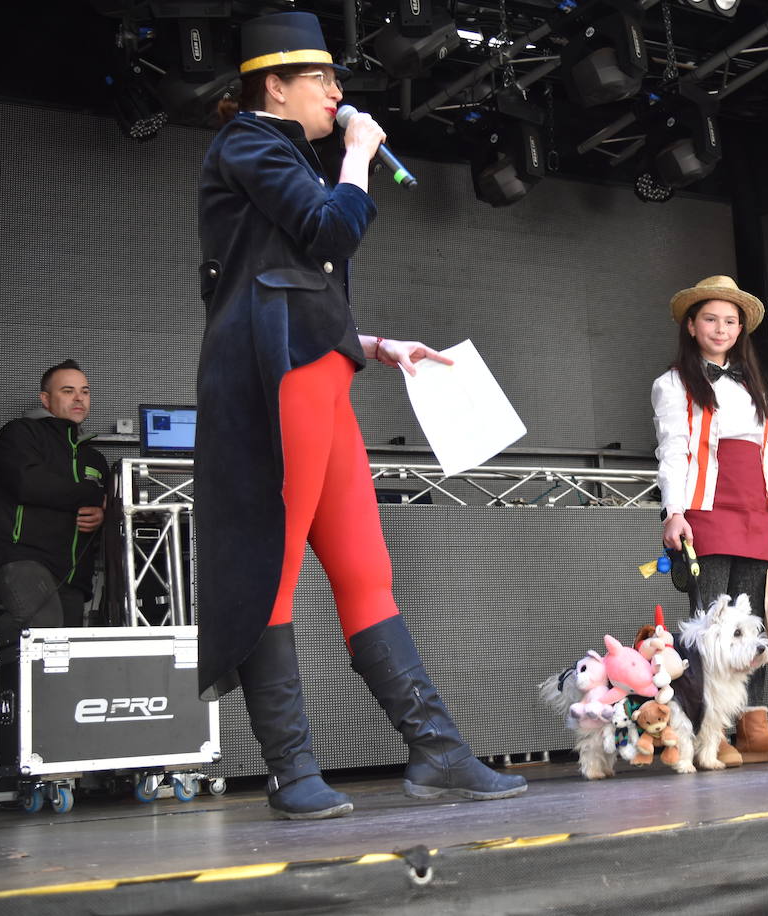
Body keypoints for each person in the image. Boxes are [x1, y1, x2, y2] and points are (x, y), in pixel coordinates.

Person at [195, 11, 525, 819]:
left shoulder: (282, 157)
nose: (339, 94)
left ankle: (438, 749)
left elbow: (293, 278)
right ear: (275, 84)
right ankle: (291, 768)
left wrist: (375, 343)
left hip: (321, 371)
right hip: (279, 379)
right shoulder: (248, 143)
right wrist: (356, 154)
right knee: (276, 567)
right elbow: (331, 228)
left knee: (366, 571)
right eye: (325, 81)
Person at [651, 275, 768, 764]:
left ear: (741, 329)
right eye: (711, 320)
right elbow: (673, 450)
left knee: (753, 622)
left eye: (730, 321)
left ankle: (753, 726)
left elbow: (765, 454)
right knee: (713, 623)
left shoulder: (749, 381)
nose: (721, 329)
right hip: (707, 506)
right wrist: (673, 511)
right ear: (692, 326)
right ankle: (707, 731)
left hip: (754, 506)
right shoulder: (672, 383)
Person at [0, 360, 108, 679]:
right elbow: (27, 484)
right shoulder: (20, 433)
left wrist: (103, 513)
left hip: (72, 572)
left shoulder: (95, 458)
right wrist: (89, 495)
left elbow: (108, 504)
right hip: (20, 557)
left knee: (60, 658)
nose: (79, 398)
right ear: (45, 399)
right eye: (68, 391)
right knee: (43, 624)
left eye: (85, 391)